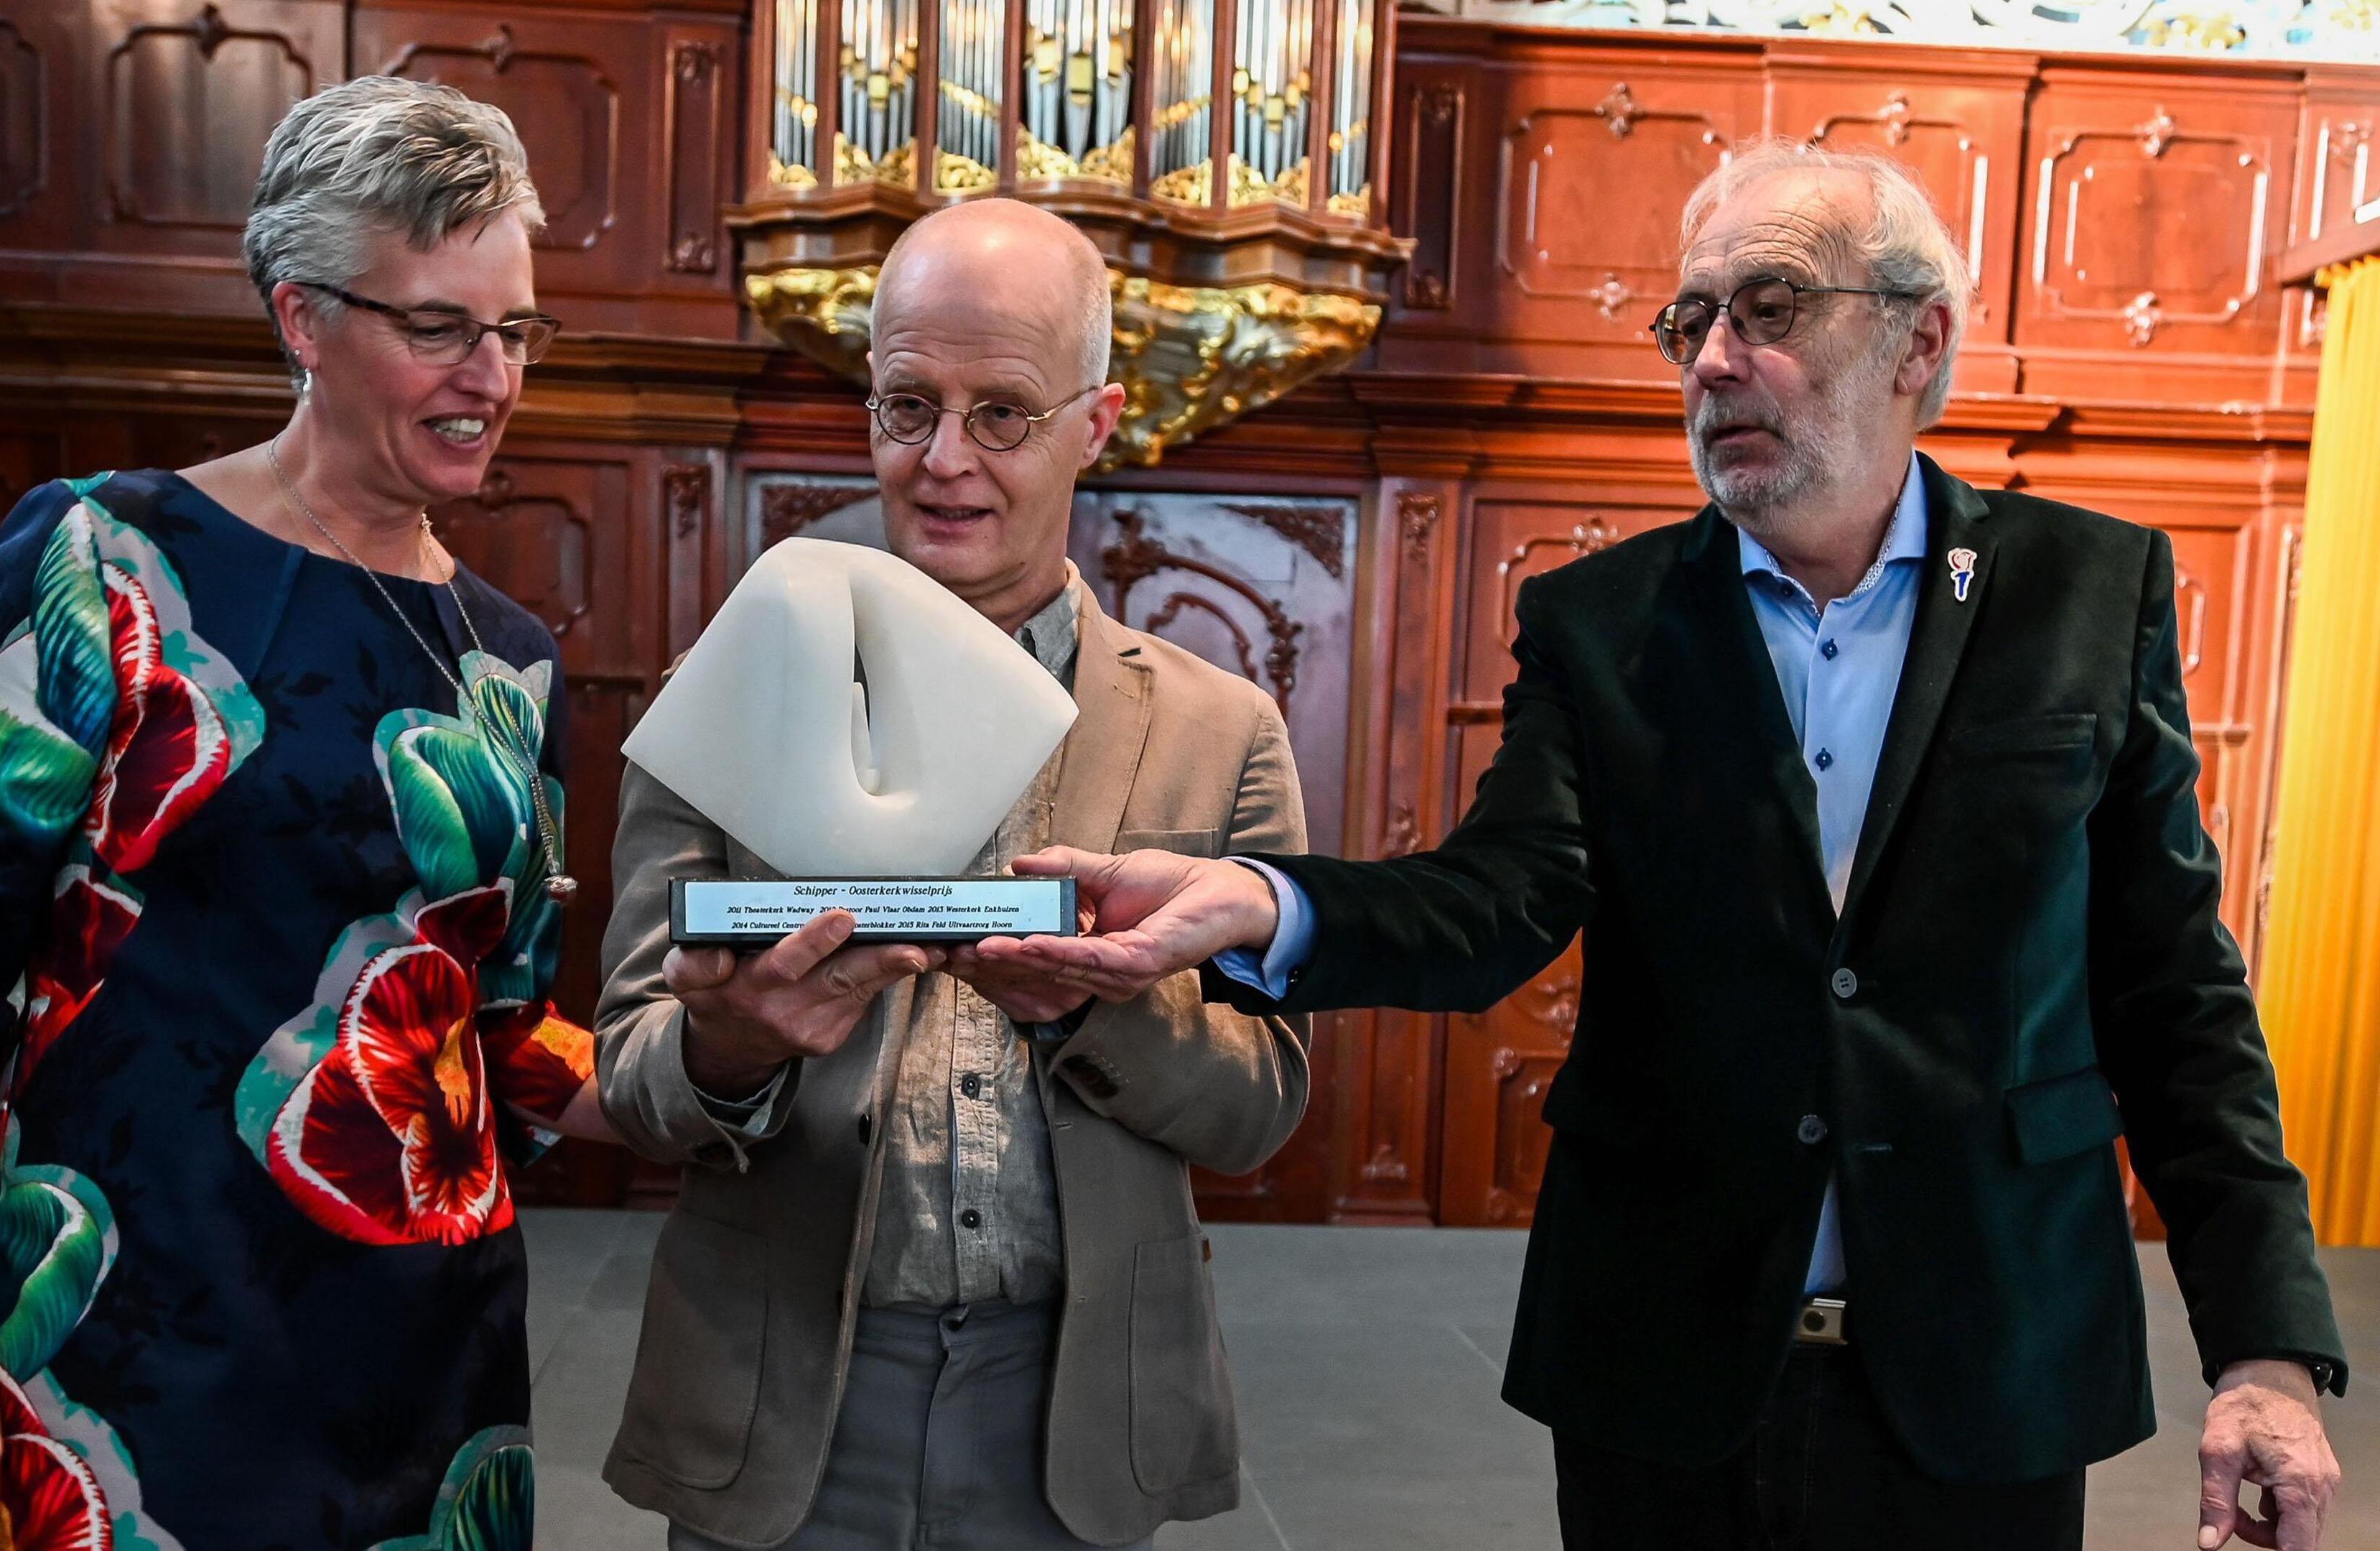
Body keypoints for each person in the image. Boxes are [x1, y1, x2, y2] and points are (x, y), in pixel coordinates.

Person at [986, 140, 2348, 1551]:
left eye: (1768, 307)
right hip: (1668, 1362)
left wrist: (2267, 1356)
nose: (1711, 361)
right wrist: (1255, 903)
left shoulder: (2086, 591)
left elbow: (2174, 995)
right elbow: (1497, 900)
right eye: (1689, 322)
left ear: (1917, 340)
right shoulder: (1605, 624)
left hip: (1988, 1357)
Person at [0, 77, 615, 1551]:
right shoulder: (111, 564)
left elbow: (504, 1030)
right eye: (439, 326)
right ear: (302, 319)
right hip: (132, 1368)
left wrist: (728, 1058)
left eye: (515, 329)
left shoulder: (511, 658)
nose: (493, 373)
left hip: (434, 1375)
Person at [592, 197, 1311, 1550]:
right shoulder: (723, 698)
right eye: (906, 404)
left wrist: (1095, 1008)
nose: (942, 461)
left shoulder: (1223, 731)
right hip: (785, 1389)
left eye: (1003, 414)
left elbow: (1263, 1104)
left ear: (1095, 427)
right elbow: (634, 1067)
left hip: (1075, 1406)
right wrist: (731, 1051)